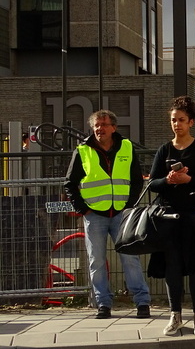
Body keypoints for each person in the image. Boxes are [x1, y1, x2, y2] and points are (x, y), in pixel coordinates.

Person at [63, 110, 151, 320]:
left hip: (122, 213)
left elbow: (137, 180)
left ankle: (142, 303)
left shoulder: (127, 147)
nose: (100, 129)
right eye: (96, 126)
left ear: (114, 127)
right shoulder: (83, 150)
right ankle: (103, 304)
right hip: (95, 216)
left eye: (104, 124)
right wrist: (83, 209)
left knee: (130, 259)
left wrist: (129, 205)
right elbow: (70, 184)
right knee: (97, 261)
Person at [148, 96, 195, 336]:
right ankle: (175, 315)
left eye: (181, 120)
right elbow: (152, 183)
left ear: (190, 122)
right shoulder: (164, 150)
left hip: (194, 216)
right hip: (168, 218)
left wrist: (189, 180)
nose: (177, 124)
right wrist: (167, 180)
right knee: (172, 268)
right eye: (173, 120)